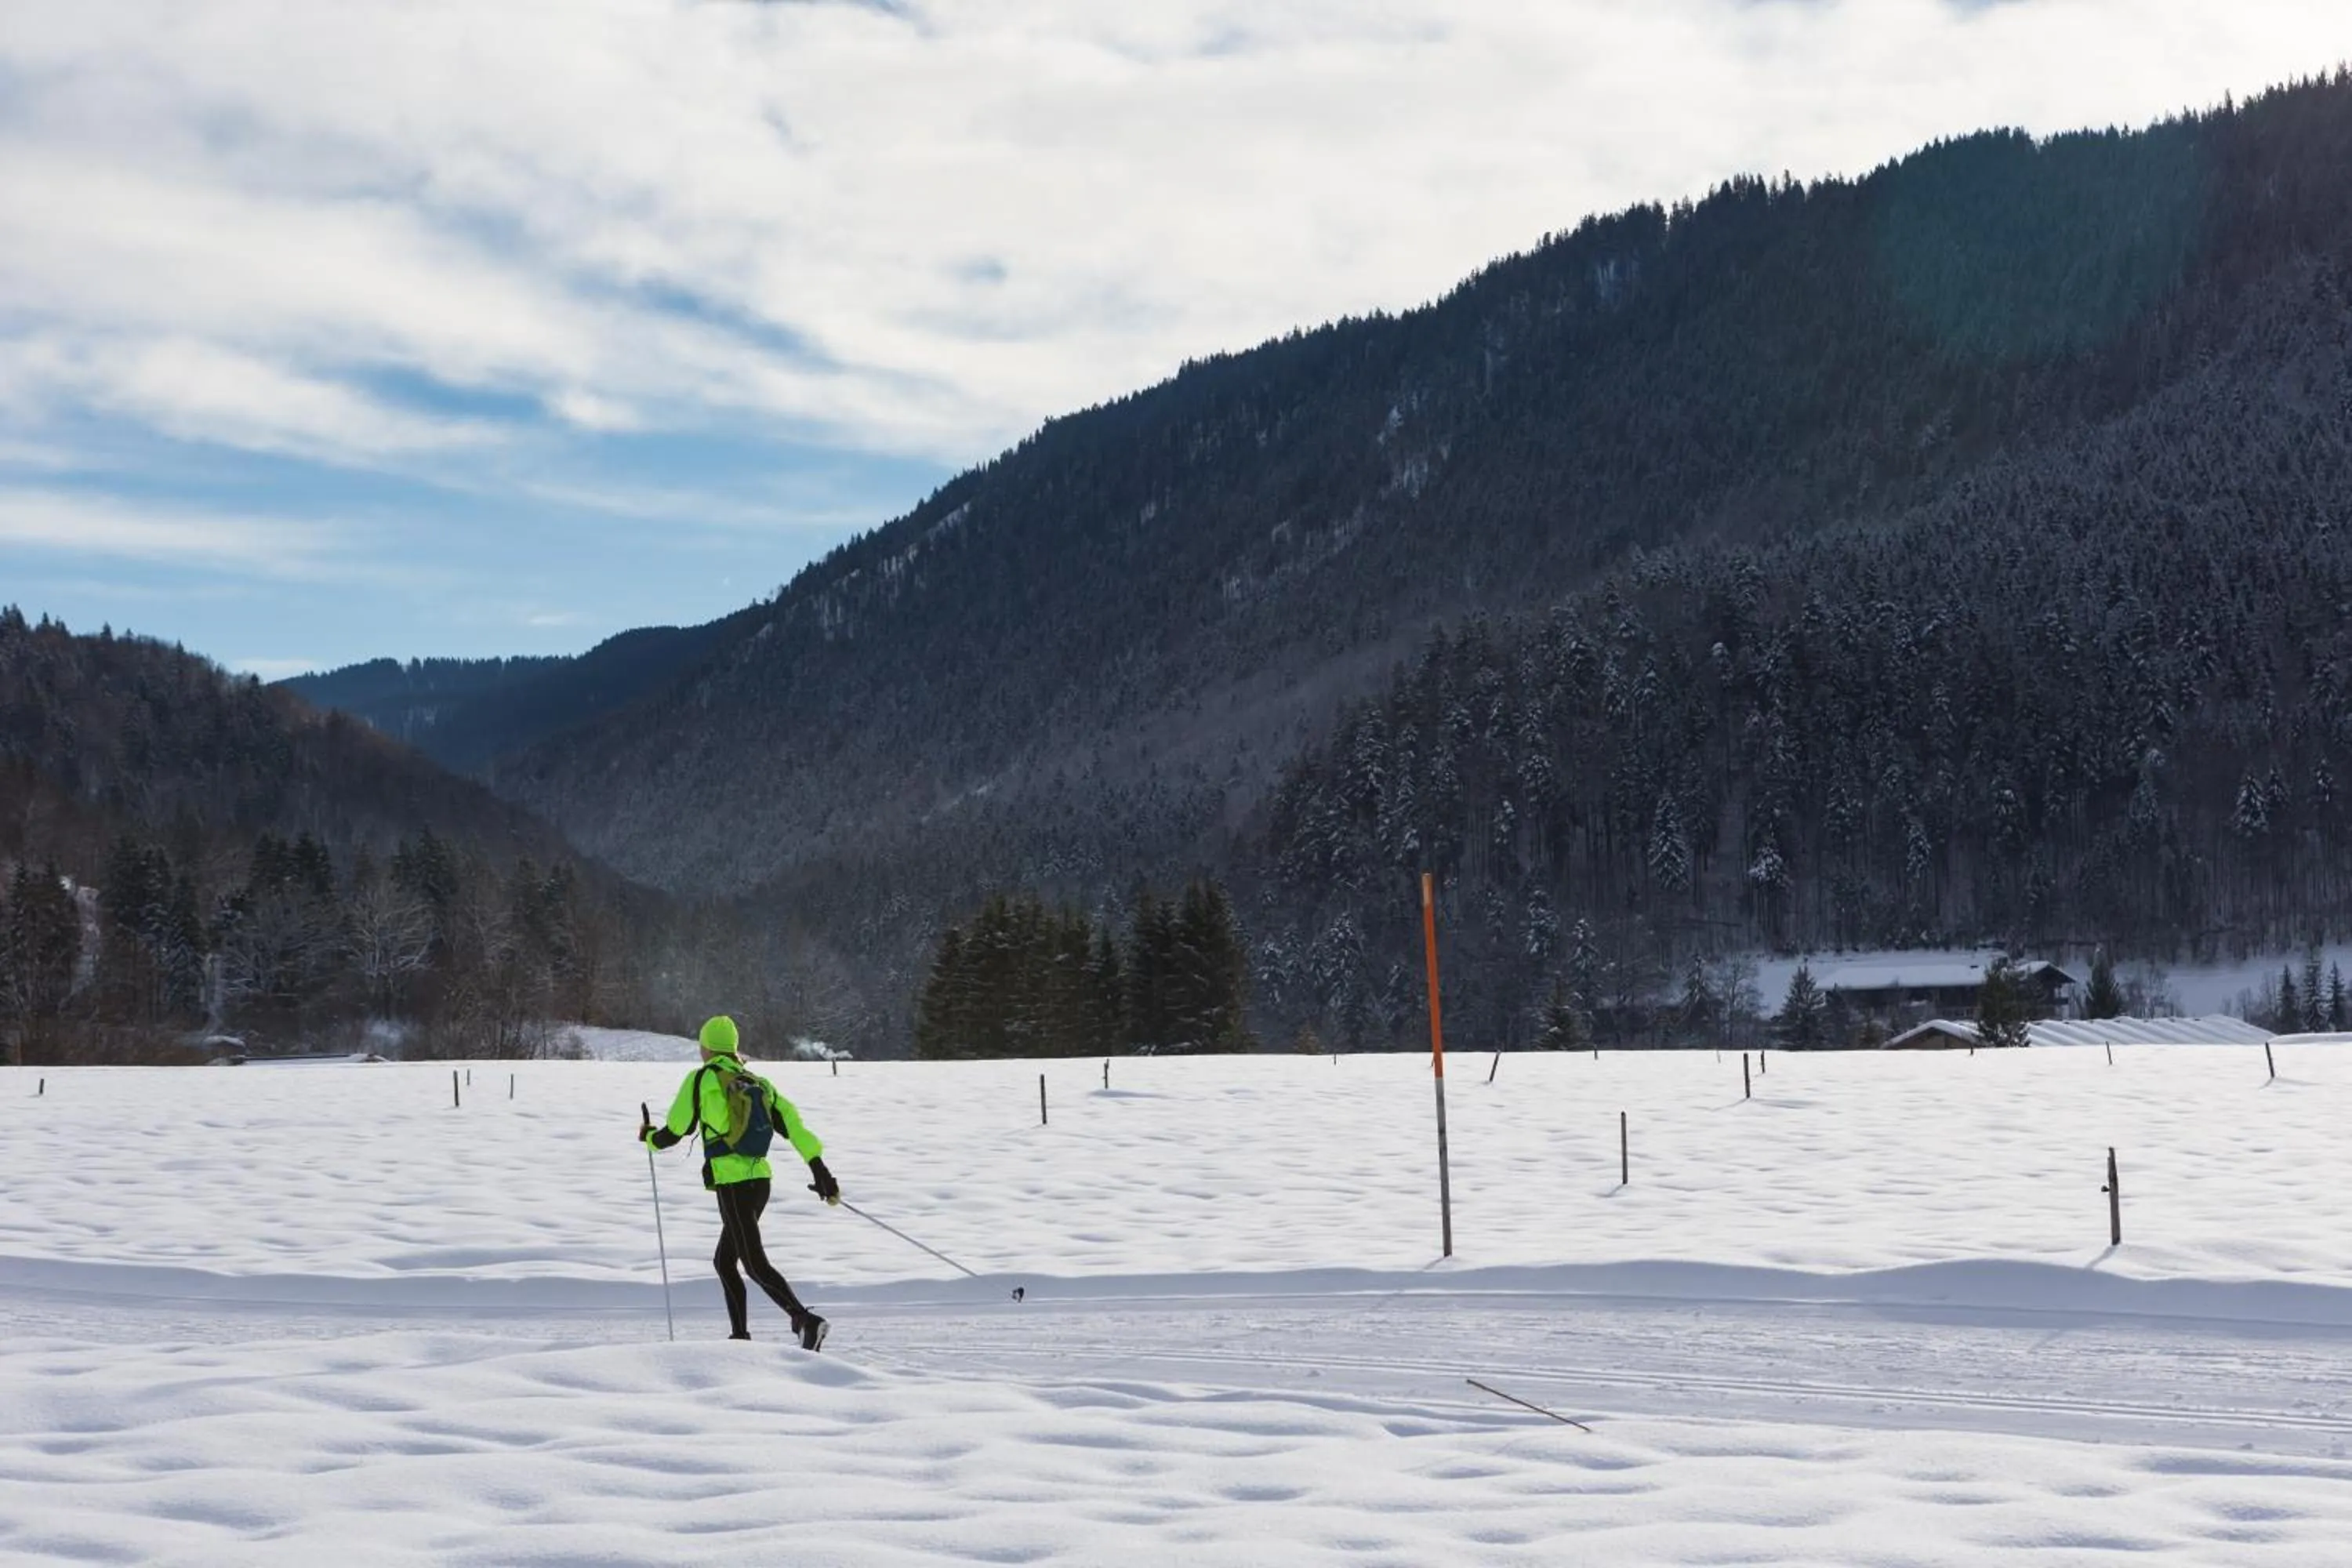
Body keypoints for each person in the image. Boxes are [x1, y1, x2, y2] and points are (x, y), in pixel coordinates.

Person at [639, 1015, 843, 1348]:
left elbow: (674, 1132)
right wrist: (819, 1168)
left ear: (706, 1048)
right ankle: (740, 1337)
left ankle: (804, 1320)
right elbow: (794, 1127)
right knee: (724, 1261)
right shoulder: (758, 1083)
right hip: (760, 1181)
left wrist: (649, 1138)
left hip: (732, 1184)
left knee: (752, 1261)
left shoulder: (701, 1079)